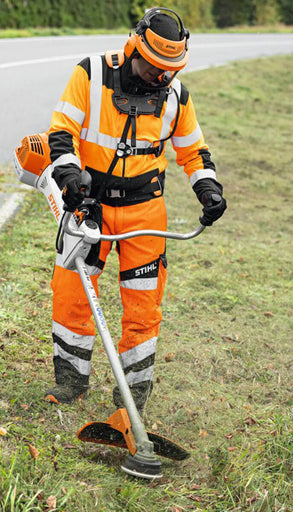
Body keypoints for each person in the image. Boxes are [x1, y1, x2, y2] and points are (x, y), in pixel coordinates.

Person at [45, 7, 226, 412]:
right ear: (134, 48)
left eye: (170, 71)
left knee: (144, 306)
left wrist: (208, 188)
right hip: (89, 207)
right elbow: (61, 132)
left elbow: (194, 152)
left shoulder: (176, 95)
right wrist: (70, 177)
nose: (161, 78)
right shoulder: (91, 74)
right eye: (155, 67)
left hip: (145, 211)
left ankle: (134, 396)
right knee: (72, 294)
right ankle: (71, 380)